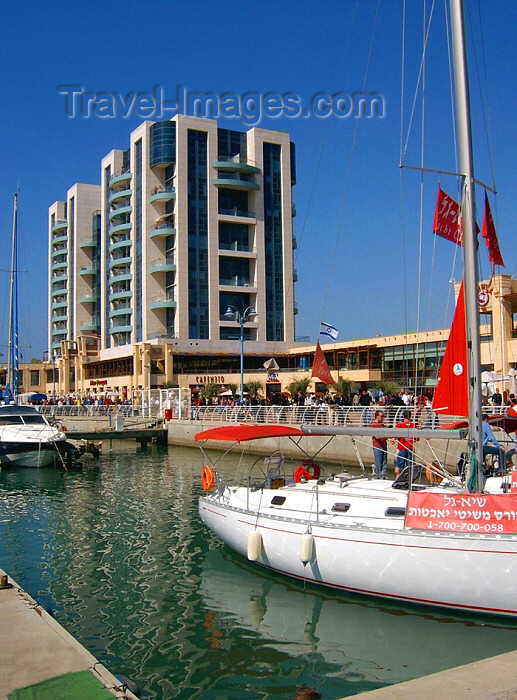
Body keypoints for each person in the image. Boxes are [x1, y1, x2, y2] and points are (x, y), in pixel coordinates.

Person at [393, 409, 419, 477]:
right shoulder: (413, 426)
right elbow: (417, 438)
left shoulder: (399, 425)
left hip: (401, 448)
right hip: (410, 448)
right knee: (410, 467)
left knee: (397, 467)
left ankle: (397, 480)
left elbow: (396, 437)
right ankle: (408, 481)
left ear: (403, 416)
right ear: (410, 416)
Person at [370, 410, 388, 478]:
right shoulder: (373, 425)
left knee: (384, 464)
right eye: (381, 416)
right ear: (377, 416)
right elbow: (377, 436)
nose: (382, 418)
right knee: (378, 464)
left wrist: (389, 439)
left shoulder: (382, 425)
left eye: (383, 416)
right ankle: (378, 477)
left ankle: (383, 477)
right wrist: (388, 436)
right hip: (378, 447)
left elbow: (384, 435)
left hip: (384, 446)